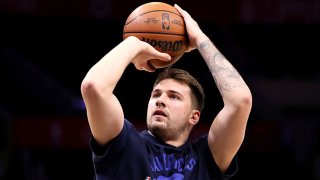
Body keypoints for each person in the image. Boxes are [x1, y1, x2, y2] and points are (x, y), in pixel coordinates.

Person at [80, 4, 252, 180]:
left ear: (194, 116)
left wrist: (200, 39)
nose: (160, 100)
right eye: (156, 94)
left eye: (174, 97)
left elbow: (241, 101)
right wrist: (134, 44)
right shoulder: (124, 145)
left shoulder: (206, 158)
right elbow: (94, 87)